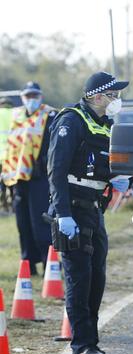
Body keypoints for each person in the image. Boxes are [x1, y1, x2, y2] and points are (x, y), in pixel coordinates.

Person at [47, 71, 129, 354]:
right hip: (73, 211)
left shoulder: (104, 124)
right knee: (79, 280)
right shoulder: (72, 121)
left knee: (96, 280)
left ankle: (91, 343)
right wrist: (64, 214)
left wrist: (118, 177)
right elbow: (56, 170)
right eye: (113, 95)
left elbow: (97, 165)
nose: (117, 101)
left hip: (94, 211)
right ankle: (83, 347)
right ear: (97, 96)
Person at [1, 82, 56, 274]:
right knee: (23, 224)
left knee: (40, 222)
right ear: (22, 97)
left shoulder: (48, 115)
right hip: (17, 178)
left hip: (39, 177)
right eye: (27, 96)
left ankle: (49, 263)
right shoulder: (15, 116)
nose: (31, 99)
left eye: (34, 96)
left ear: (40, 96)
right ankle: (28, 264)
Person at [0, 97, 14, 212]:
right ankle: (11, 204)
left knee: (1, 183)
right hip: (11, 155)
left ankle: (2, 204)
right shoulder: (15, 114)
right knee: (11, 181)